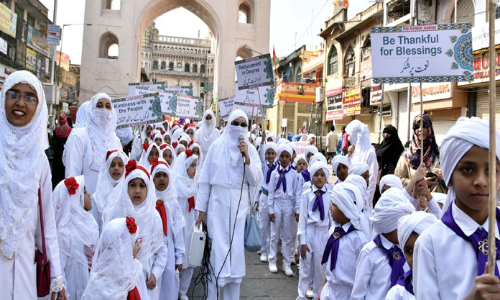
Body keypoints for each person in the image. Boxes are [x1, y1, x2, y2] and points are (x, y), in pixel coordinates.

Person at [413, 117, 500, 300]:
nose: (481, 182)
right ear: (449, 176)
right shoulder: (430, 243)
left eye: (491, 170)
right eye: (468, 170)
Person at [0, 70, 66, 299]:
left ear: (38, 107)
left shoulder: (39, 162)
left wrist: (57, 277)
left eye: (30, 97)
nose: (20, 103)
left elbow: (46, 226)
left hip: (24, 275)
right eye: (13, 94)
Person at [195, 109, 262, 299]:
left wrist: (247, 158)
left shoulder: (250, 149)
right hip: (217, 209)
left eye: (243, 125)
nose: (239, 128)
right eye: (236, 123)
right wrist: (201, 210)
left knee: (235, 258)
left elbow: (255, 180)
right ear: (228, 124)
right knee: (216, 254)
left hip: (239, 212)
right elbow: (205, 181)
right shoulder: (216, 147)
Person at [104, 160, 167, 300]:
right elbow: (107, 251)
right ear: (125, 187)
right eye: (132, 185)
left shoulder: (153, 217)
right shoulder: (117, 215)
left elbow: (161, 250)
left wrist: (155, 274)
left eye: (141, 186)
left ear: (148, 189)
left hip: (145, 281)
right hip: (120, 281)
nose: (137, 190)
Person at [63, 92, 122, 226]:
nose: (104, 111)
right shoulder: (80, 136)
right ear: (91, 109)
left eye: (108, 107)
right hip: (85, 210)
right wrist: (76, 209)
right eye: (99, 106)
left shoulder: (115, 140)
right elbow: (71, 177)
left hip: (109, 210)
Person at [351, 188, 414, 300]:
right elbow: (358, 293)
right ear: (388, 225)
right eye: (402, 228)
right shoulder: (370, 252)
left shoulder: (407, 251)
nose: (406, 232)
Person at [319, 182, 370, 300]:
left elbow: (364, 273)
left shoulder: (359, 239)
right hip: (329, 290)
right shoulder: (333, 231)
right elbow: (330, 266)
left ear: (345, 208)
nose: (330, 207)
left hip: (347, 293)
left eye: (334, 205)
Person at [52, 176, 99, 300]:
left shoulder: (90, 224)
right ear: (73, 199)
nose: (89, 195)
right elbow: (59, 269)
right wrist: (64, 294)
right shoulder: (64, 234)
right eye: (83, 192)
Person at [81, 217, 142, 300]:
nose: (138, 244)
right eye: (134, 241)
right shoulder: (98, 287)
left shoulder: (134, 273)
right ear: (121, 248)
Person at [151, 158, 186, 300]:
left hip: (169, 249)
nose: (161, 179)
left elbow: (178, 231)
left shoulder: (173, 201)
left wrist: (179, 256)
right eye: (158, 175)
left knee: (169, 281)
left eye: (164, 175)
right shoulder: (148, 200)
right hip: (152, 250)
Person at [297, 161, 332, 300]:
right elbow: (303, 220)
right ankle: (301, 296)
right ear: (311, 177)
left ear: (326, 177)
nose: (319, 177)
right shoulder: (306, 194)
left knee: (320, 269)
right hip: (309, 232)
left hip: (323, 234)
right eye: (316, 174)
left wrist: (331, 240)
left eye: (322, 175)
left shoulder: (330, 194)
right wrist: (302, 241)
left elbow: (331, 219)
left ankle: (318, 295)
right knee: (305, 268)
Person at [385, 212, 437, 300]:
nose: (415, 257)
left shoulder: (450, 282)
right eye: (409, 251)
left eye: (422, 249)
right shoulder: (399, 293)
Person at [268, 144, 300, 276]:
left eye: (287, 156)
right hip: (277, 203)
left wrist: (297, 209)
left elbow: (297, 193)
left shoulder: (294, 174)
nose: (285, 159)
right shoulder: (274, 174)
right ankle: (272, 260)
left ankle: (287, 263)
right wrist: (270, 209)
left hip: (289, 204)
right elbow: (270, 192)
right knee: (274, 233)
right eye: (282, 156)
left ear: (291, 158)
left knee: (287, 235)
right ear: (278, 157)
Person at [395, 114, 447, 194]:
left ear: (430, 128)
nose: (420, 129)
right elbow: (397, 180)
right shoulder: (407, 156)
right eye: (417, 127)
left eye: (424, 126)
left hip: (437, 202)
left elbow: (455, 181)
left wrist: (444, 177)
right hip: (415, 202)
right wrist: (416, 182)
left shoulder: (439, 153)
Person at [173, 150, 198, 300]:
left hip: (191, 224)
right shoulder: (176, 183)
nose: (195, 169)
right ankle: (175, 289)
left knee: (191, 258)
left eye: (196, 165)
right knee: (179, 257)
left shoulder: (194, 183)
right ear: (184, 166)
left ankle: (183, 290)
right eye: (192, 165)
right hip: (180, 225)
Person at [346, 120, 379, 210]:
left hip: (364, 199)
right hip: (351, 196)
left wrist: (365, 202)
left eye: (351, 135)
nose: (349, 138)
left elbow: (372, 180)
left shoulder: (370, 152)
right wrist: (348, 155)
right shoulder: (354, 151)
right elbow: (347, 169)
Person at [92, 149, 128, 229]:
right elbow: (94, 225)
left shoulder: (129, 193)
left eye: (120, 165)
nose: (116, 168)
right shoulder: (97, 196)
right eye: (112, 165)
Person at [255, 142, 278, 262]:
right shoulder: (263, 165)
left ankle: (270, 249)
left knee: (272, 226)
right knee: (263, 224)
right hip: (264, 195)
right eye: (268, 153)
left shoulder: (278, 167)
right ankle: (263, 248)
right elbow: (260, 157)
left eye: (273, 153)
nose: (270, 156)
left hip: (274, 198)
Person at [52, 113, 72, 188]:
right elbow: (53, 142)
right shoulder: (56, 130)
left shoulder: (70, 131)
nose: (61, 121)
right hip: (57, 156)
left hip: (65, 156)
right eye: (60, 119)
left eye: (62, 119)